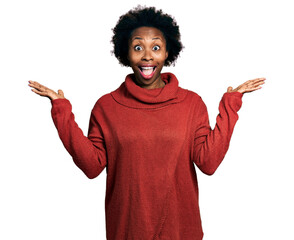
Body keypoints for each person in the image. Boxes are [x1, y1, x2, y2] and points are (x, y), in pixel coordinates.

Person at [28, 5, 265, 240]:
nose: (148, 56)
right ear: (126, 52)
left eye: (156, 47)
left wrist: (231, 104)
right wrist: (61, 112)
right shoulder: (106, 107)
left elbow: (208, 162)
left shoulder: (191, 104)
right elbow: (92, 166)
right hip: (127, 232)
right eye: (138, 47)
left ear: (168, 52)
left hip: (181, 232)